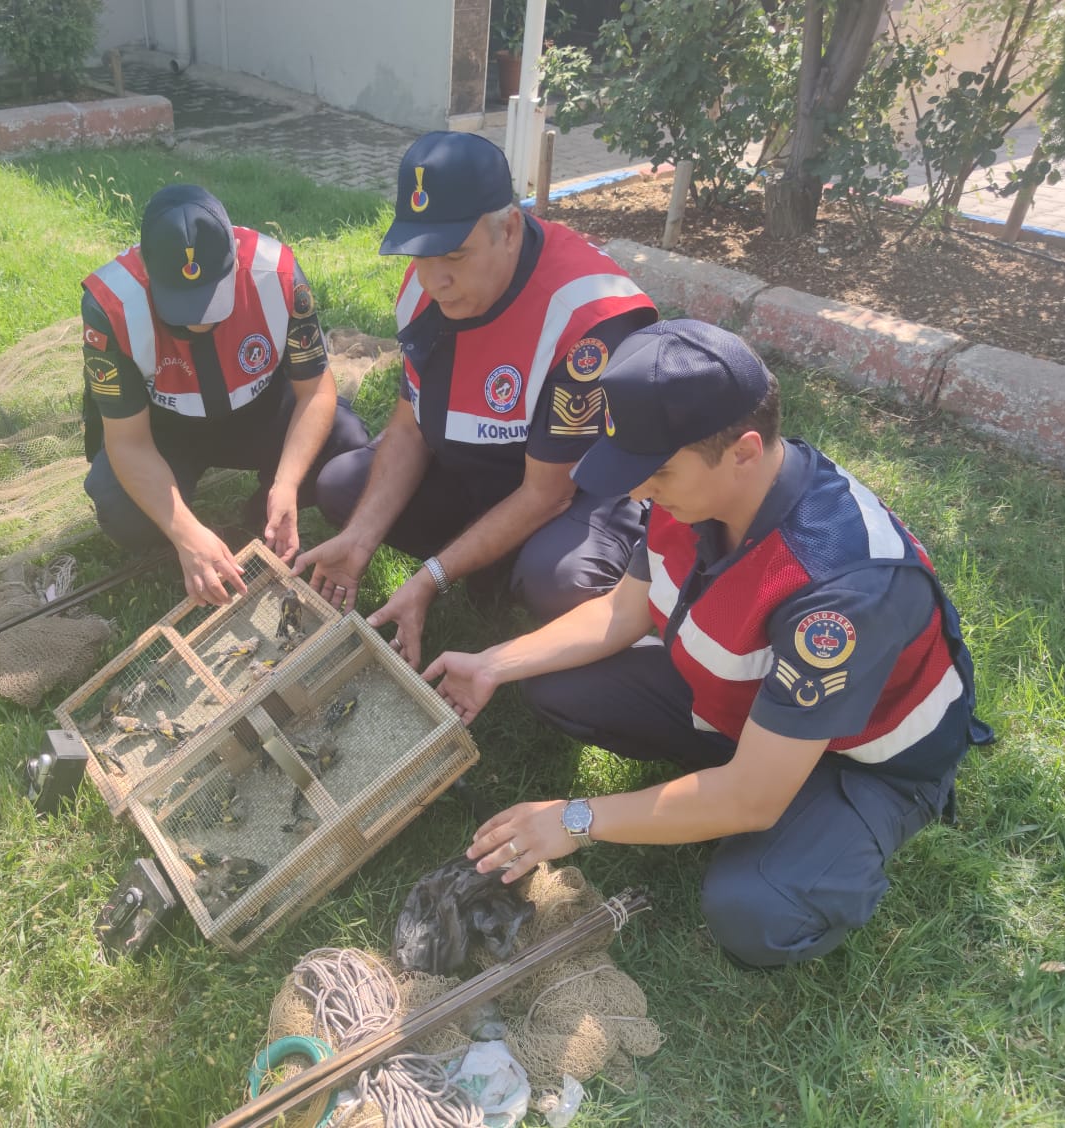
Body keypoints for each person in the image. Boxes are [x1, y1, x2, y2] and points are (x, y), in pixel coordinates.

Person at [425, 320, 992, 968]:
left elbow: (753, 797)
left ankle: (838, 843)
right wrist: (495, 663)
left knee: (754, 909)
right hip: (758, 711)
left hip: (863, 761)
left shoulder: (840, 593)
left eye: (656, 474)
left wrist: (576, 819)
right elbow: (623, 609)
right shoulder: (696, 490)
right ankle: (712, 786)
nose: (639, 492)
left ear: (745, 451)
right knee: (552, 681)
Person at [295, 132, 658, 668]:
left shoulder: (585, 320)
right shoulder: (427, 286)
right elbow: (412, 424)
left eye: (455, 255)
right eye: (419, 254)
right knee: (342, 488)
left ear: (509, 229)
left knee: (559, 579)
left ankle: (548, 583)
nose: (434, 280)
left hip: (573, 493)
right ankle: (484, 563)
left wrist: (431, 577)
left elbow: (547, 495)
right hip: (484, 471)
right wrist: (360, 538)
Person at [80, 184, 369, 604]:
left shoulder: (279, 273)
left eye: (211, 298)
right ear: (146, 268)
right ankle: (190, 540)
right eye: (180, 303)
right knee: (122, 510)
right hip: (165, 426)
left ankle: (262, 511)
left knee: (348, 442)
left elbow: (315, 391)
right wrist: (186, 532)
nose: (198, 320)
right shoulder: (109, 307)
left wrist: (287, 483)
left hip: (262, 408)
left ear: (236, 259)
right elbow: (127, 440)